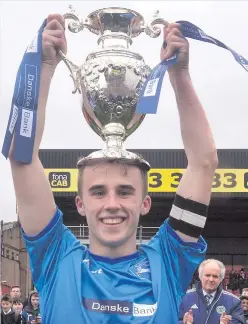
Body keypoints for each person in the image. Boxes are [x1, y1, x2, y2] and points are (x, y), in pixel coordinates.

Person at [8, 13, 218, 323]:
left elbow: (203, 163)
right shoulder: (56, 256)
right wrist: (46, 67)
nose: (111, 203)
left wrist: (179, 75)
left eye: (125, 191)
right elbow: (21, 156)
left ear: (144, 202)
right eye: (98, 191)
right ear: (80, 204)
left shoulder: (169, 260)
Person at [179, 259, 245, 324]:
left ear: (221, 279)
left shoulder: (234, 302)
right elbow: (173, 320)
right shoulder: (184, 298)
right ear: (200, 276)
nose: (211, 279)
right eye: (207, 275)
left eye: (215, 276)